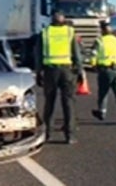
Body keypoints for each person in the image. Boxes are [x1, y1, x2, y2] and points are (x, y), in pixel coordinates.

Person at [35, 11, 84, 144]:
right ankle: (70, 135)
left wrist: (38, 72)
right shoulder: (69, 32)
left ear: (51, 20)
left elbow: (38, 55)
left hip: (50, 71)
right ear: (64, 20)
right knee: (68, 103)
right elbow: (76, 54)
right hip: (67, 71)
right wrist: (80, 71)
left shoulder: (45, 33)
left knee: (49, 103)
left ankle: (47, 134)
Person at [90, 21, 116, 124]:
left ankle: (102, 112)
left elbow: (93, 54)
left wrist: (93, 65)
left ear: (102, 31)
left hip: (105, 70)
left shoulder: (99, 41)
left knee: (103, 92)